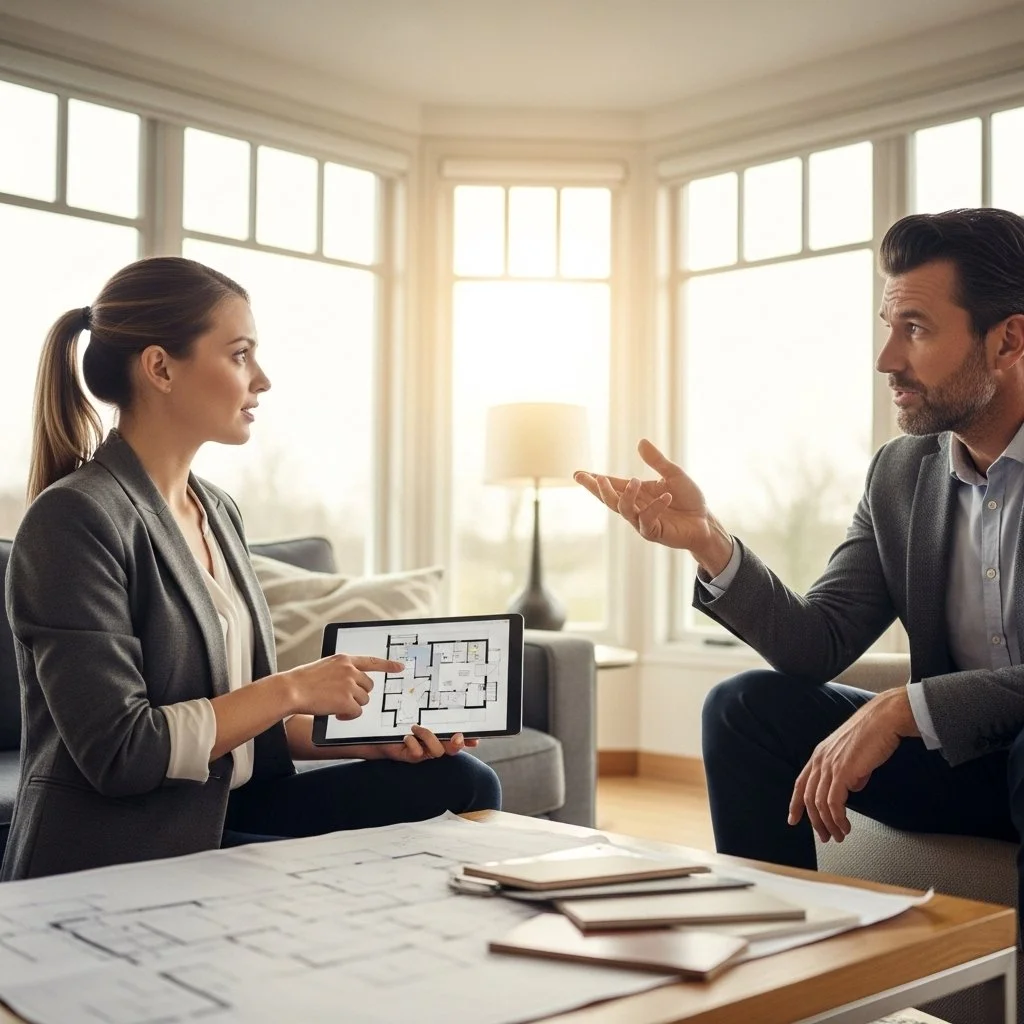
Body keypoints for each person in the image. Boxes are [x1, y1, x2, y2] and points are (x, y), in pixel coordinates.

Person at [576, 208, 1024, 904]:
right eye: (889, 326)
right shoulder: (901, 474)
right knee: (742, 708)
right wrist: (709, 543)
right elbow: (819, 643)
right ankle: (775, 961)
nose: (887, 360)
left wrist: (902, 707)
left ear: (1008, 340)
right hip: (962, 767)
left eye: (917, 330)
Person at [3, 255, 500, 880]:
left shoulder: (216, 510)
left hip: (232, 808)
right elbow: (123, 753)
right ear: (160, 367)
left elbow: (240, 725)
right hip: (134, 838)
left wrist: (359, 738)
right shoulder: (74, 518)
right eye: (240, 354)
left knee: (458, 780)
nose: (261, 379)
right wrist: (293, 687)